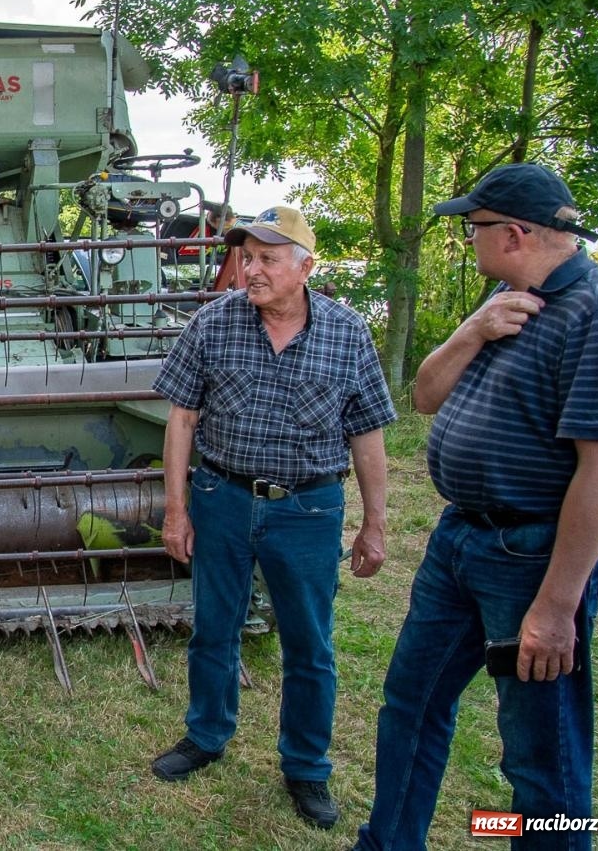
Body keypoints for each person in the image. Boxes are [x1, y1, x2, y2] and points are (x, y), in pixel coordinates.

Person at [352, 164, 598, 851]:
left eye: (471, 228)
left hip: (532, 556)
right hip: (460, 541)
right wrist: (472, 330)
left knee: (541, 749)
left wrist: (555, 606)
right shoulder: (508, 300)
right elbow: (424, 395)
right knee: (410, 706)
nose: (465, 239)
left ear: (512, 233)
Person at [149, 205, 395, 831]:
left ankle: (307, 768)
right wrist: (176, 510)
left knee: (309, 645)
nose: (250, 271)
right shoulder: (212, 323)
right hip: (223, 499)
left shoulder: (347, 333)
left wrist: (375, 523)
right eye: (247, 258)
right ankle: (206, 736)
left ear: (305, 267)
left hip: (308, 508)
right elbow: (181, 420)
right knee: (213, 629)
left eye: (265, 259)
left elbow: (367, 435)